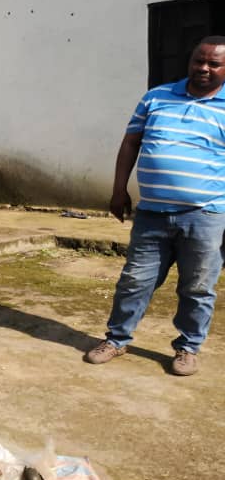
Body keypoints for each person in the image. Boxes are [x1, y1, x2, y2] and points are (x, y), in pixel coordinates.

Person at [85, 36, 225, 376]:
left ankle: (188, 348)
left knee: (197, 287)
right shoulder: (156, 97)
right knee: (135, 280)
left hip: (205, 215)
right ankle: (116, 339)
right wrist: (119, 190)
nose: (203, 68)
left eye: (214, 64)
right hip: (151, 213)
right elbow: (130, 143)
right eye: (198, 61)